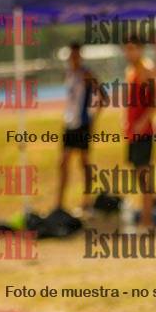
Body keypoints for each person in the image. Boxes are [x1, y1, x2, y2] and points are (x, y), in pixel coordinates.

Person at [57, 42, 98, 210]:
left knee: (84, 163)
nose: (73, 59)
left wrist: (93, 119)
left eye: (76, 55)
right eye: (71, 55)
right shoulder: (68, 73)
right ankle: (59, 203)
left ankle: (87, 201)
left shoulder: (86, 73)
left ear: (80, 56)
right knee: (63, 163)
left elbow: (101, 96)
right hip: (69, 124)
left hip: (82, 124)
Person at [123, 37, 156, 229]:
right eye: (127, 49)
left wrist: (143, 121)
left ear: (141, 49)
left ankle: (147, 220)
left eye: (132, 48)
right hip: (132, 133)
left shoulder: (146, 69)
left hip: (144, 133)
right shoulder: (131, 70)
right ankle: (144, 216)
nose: (129, 53)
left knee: (145, 177)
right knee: (138, 175)